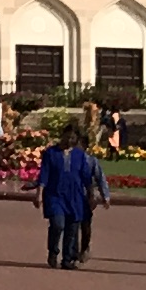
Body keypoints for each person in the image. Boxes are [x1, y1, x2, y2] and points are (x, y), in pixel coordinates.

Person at [36, 111, 104, 270]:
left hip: (75, 196)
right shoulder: (51, 153)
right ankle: (53, 251)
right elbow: (44, 174)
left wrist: (91, 195)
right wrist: (39, 194)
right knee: (58, 224)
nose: (69, 141)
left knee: (72, 228)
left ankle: (67, 259)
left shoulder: (79, 155)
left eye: (73, 138)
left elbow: (86, 177)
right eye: (67, 137)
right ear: (62, 135)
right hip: (55, 194)